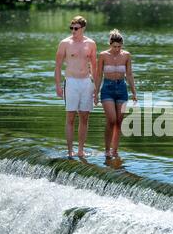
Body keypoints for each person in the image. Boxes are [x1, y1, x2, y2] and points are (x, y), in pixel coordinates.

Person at [55, 16, 97, 158]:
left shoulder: (90, 44)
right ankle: (69, 150)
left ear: (83, 28)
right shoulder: (64, 43)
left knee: (84, 117)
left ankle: (80, 150)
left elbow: (95, 66)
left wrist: (96, 86)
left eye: (76, 28)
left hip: (86, 82)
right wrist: (58, 86)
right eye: (71, 28)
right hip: (71, 82)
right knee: (70, 117)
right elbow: (58, 66)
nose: (73, 31)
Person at [94, 29, 137, 158]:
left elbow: (129, 74)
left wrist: (134, 92)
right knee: (111, 119)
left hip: (122, 89)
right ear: (110, 44)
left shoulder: (127, 55)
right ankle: (107, 149)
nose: (117, 49)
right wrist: (95, 93)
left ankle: (115, 150)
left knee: (119, 121)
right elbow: (99, 75)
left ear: (122, 45)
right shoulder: (103, 55)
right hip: (107, 89)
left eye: (119, 47)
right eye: (114, 46)